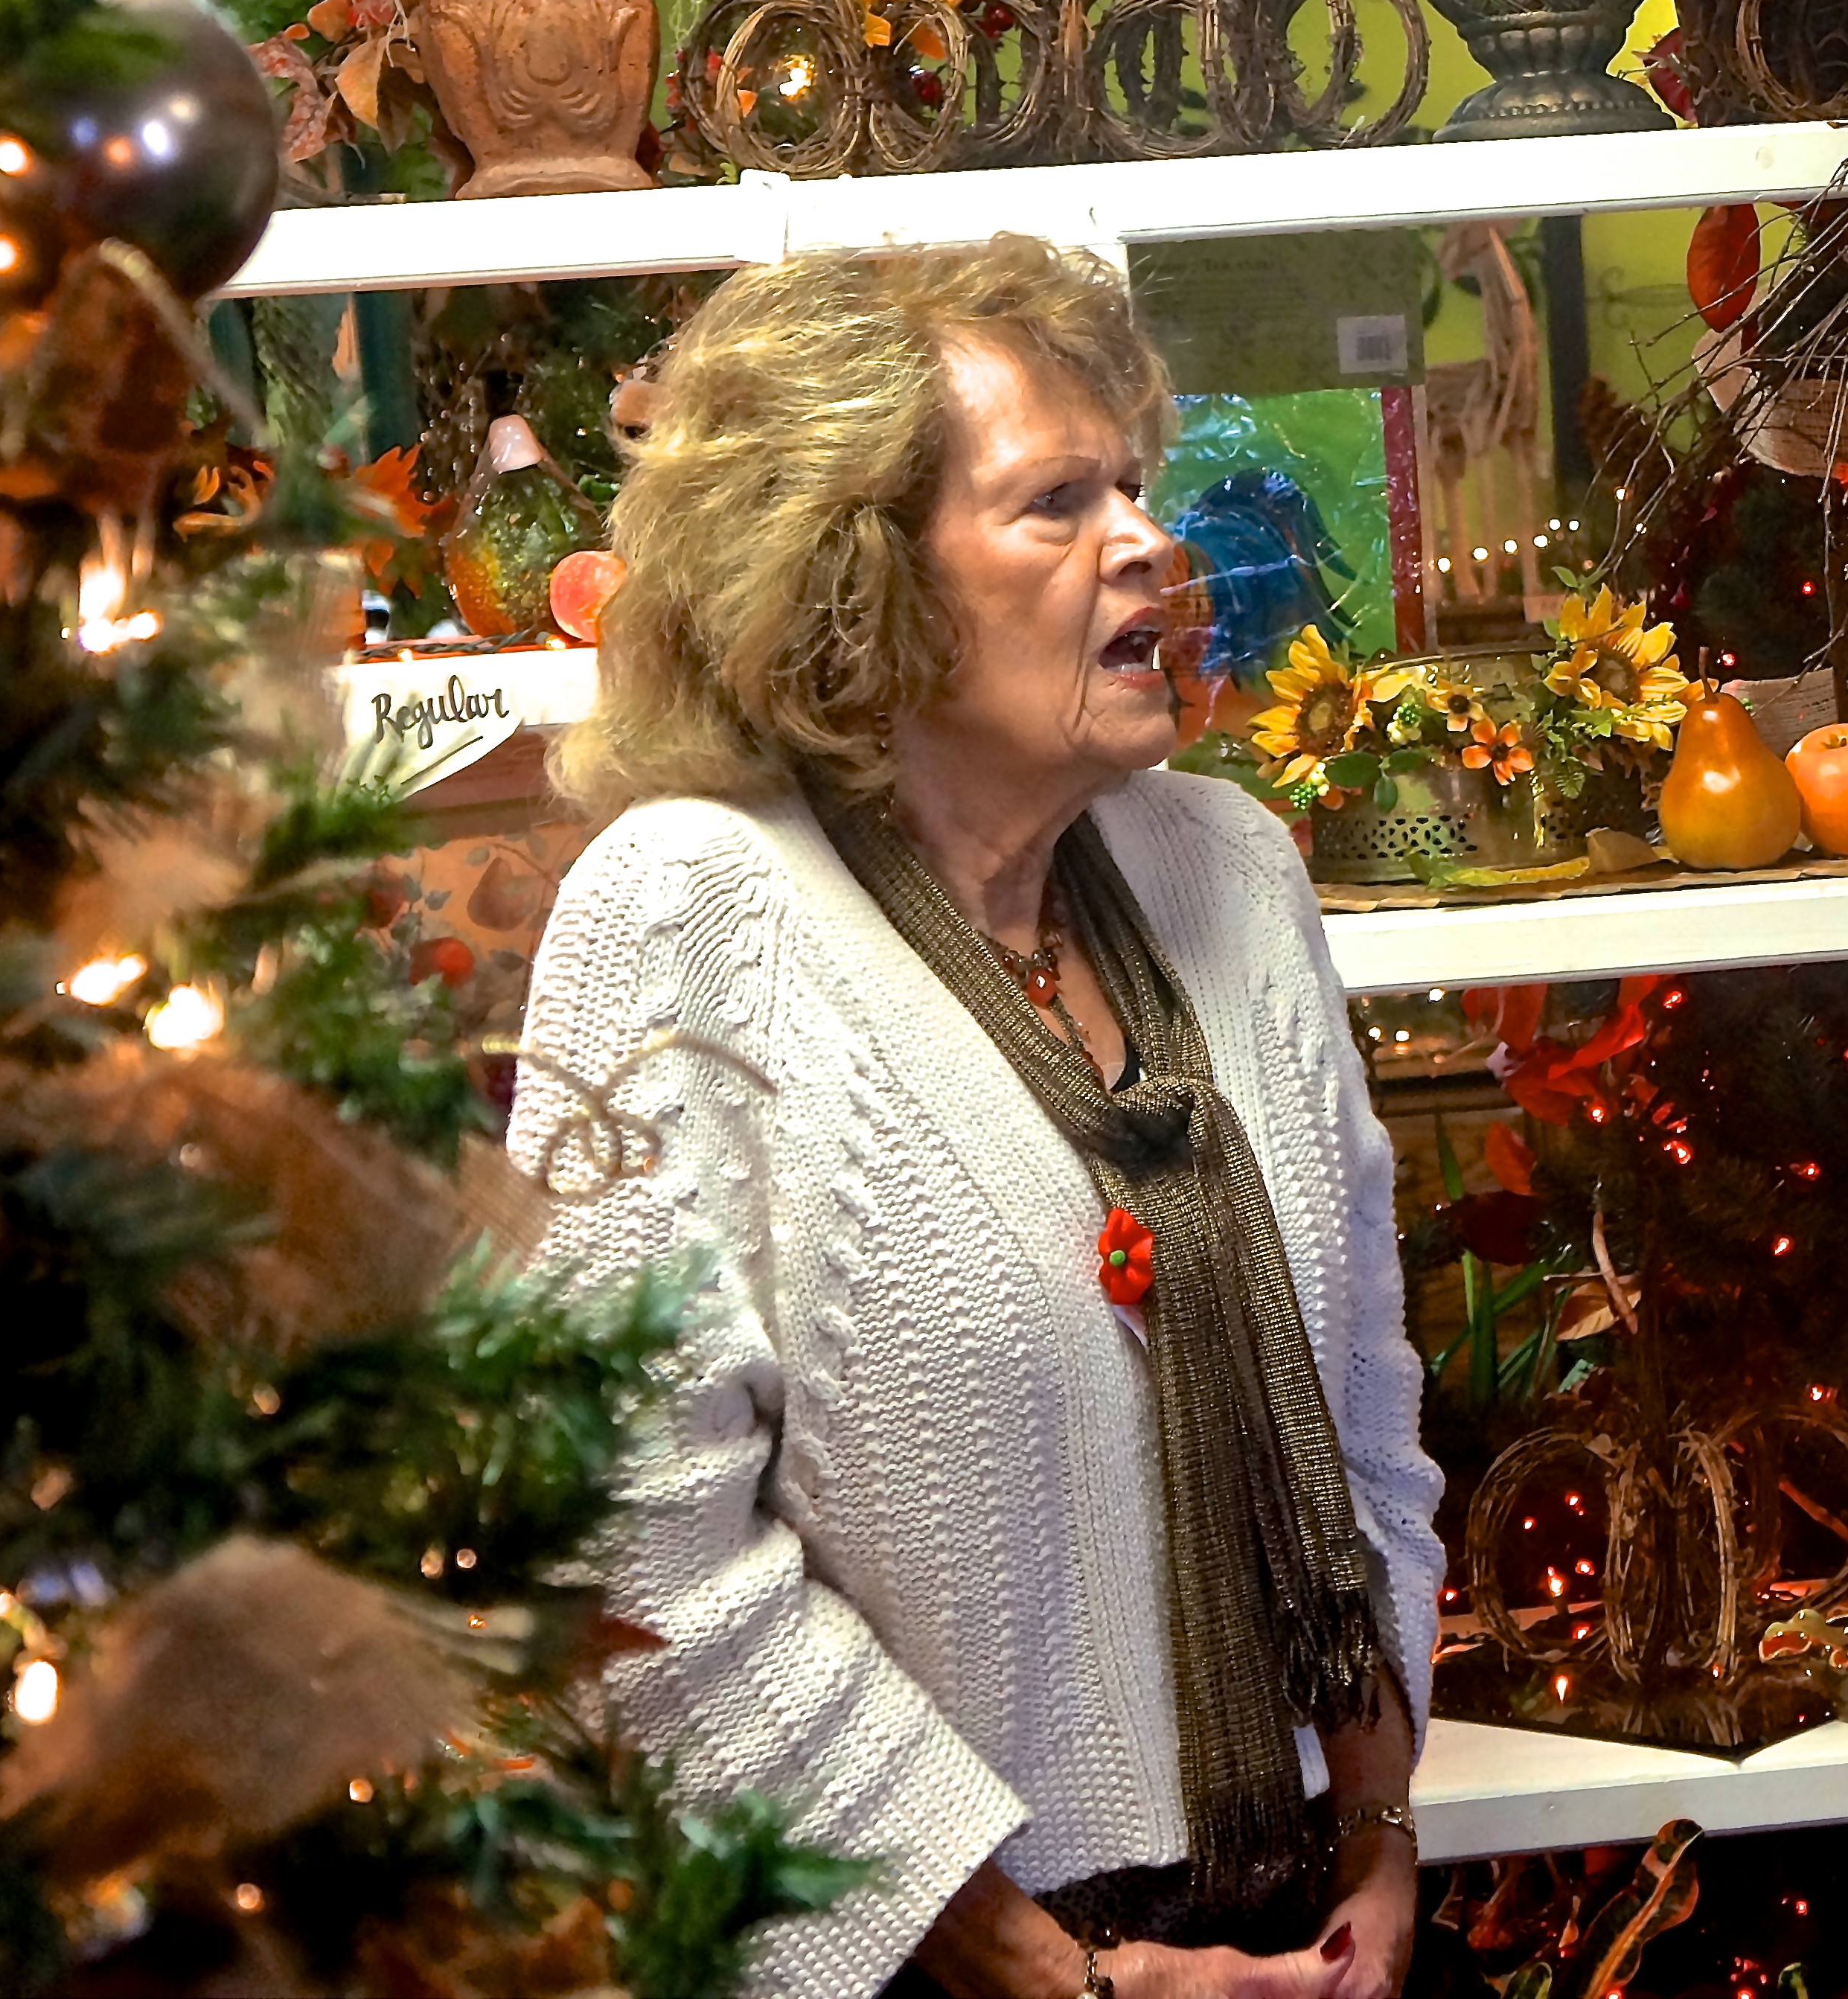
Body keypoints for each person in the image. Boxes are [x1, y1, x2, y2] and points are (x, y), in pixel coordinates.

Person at [514, 235, 1442, 1999]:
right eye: (1055, 503)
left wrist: (1380, 1838)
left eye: (1135, 486)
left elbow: (1371, 1414)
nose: (1148, 542)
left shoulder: (1228, 869)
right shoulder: (686, 912)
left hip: (1315, 1934)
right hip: (938, 1965)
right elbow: (630, 1557)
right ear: (860, 587)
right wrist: (1042, 1970)